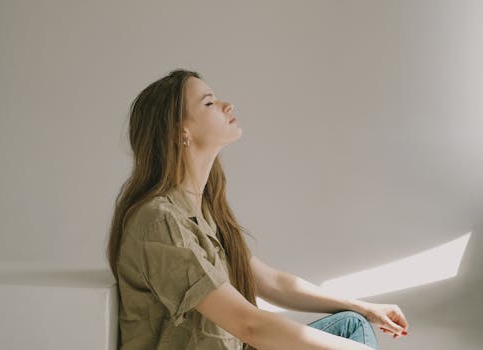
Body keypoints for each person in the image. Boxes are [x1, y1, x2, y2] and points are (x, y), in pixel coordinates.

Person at [106, 69, 409, 350]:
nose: (228, 105)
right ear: (179, 131)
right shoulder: (159, 221)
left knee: (352, 324)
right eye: (209, 103)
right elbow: (248, 324)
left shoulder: (203, 211)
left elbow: (272, 283)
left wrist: (365, 307)